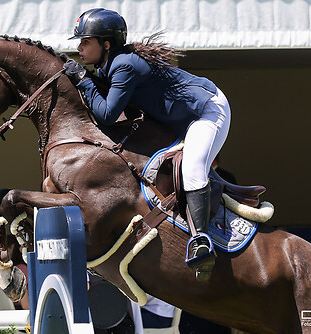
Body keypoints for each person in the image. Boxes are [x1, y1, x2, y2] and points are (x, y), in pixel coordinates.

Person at [63, 8, 231, 279]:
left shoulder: (123, 65)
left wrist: (84, 81)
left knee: (192, 169)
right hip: (180, 120)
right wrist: (87, 80)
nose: (79, 48)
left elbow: (107, 114)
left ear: (106, 44)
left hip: (207, 112)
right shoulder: (109, 64)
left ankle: (202, 240)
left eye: (85, 42)